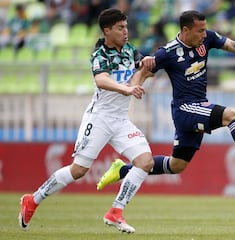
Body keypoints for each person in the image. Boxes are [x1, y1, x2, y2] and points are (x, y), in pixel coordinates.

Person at [96, 10, 235, 192]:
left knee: (176, 165)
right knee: (231, 116)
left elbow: (233, 45)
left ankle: (122, 170)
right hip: (185, 109)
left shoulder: (207, 38)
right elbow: (143, 72)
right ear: (185, 30)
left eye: (204, 30)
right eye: (199, 30)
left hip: (197, 107)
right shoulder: (167, 52)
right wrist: (131, 88)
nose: (204, 34)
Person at [18, 8, 156, 234]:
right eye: (120, 28)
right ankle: (32, 200)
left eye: (126, 27)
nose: (125, 32)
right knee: (79, 170)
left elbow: (145, 70)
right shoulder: (99, 54)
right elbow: (102, 80)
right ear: (107, 30)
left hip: (121, 121)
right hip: (99, 118)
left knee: (145, 161)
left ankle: (116, 211)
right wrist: (127, 88)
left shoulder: (130, 50)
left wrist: (148, 64)